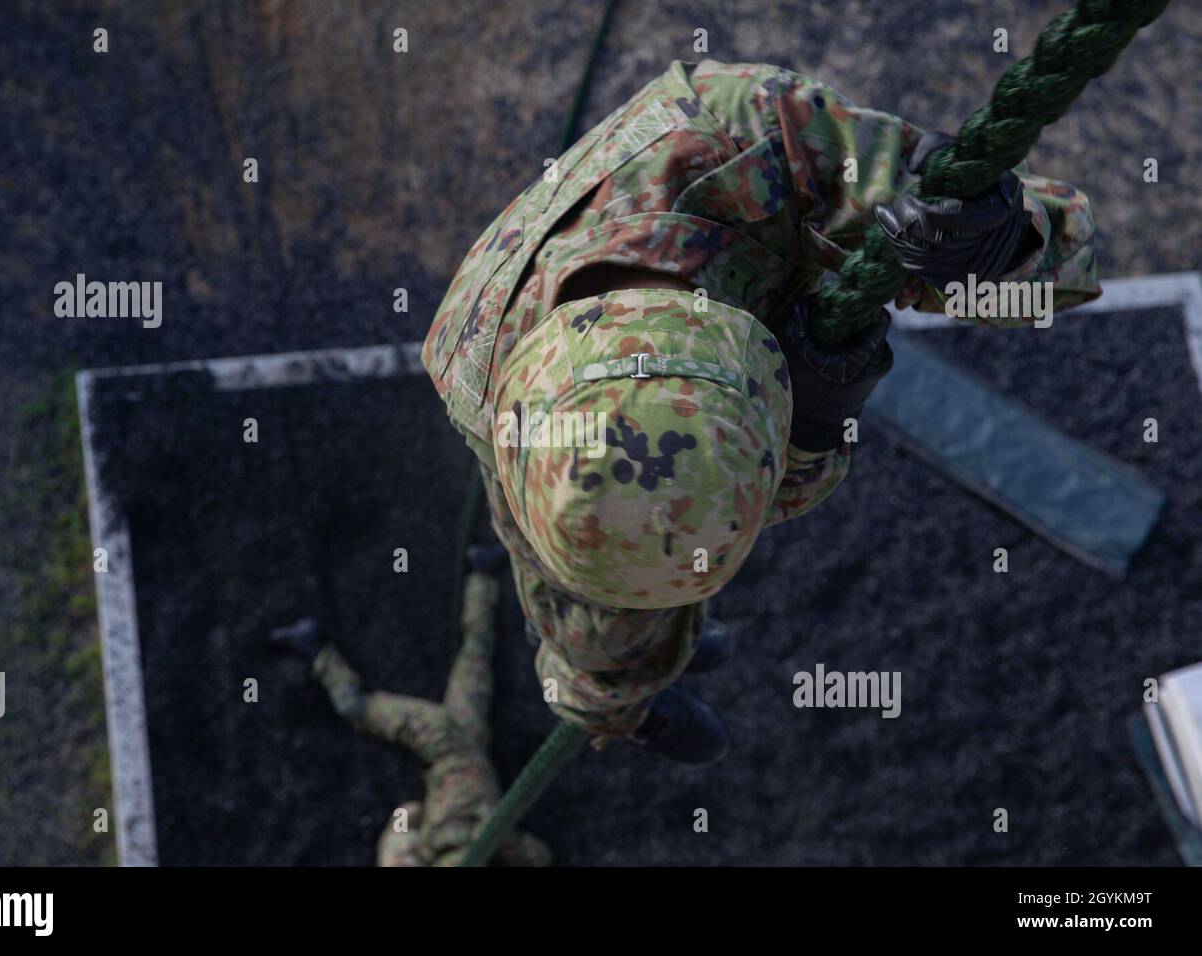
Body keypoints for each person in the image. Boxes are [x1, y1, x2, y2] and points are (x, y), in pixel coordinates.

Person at [421, 59, 1100, 763]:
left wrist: (1006, 249)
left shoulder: (752, 136)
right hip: (516, 399)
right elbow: (734, 492)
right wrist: (816, 423)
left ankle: (634, 654)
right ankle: (610, 694)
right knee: (596, 624)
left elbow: (1061, 260)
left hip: (695, 258)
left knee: (632, 576)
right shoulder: (473, 371)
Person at [270, 546, 551, 866]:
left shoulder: (429, 852)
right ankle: (482, 574)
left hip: (440, 745)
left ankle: (318, 652)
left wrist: (420, 828)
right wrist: (501, 837)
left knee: (362, 708)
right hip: (459, 747)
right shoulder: (486, 846)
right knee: (476, 658)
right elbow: (540, 857)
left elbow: (404, 818)